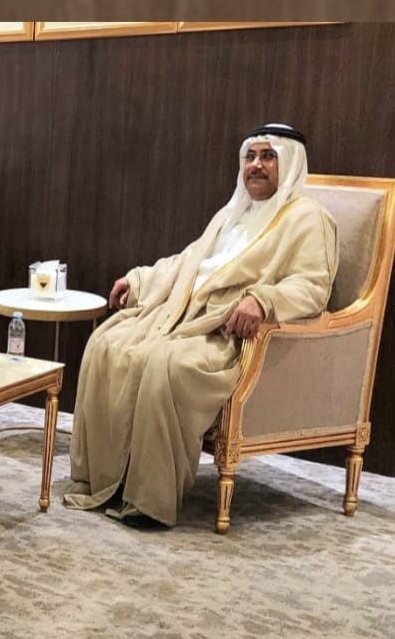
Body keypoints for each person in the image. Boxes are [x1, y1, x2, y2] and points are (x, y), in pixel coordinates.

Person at [65, 123, 338, 529]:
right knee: (107, 343)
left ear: (291, 163)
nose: (256, 165)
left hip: (225, 332)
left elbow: (312, 287)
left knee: (167, 365)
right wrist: (140, 280)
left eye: (268, 157)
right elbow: (189, 262)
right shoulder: (232, 213)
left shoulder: (307, 219)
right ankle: (108, 480)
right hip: (181, 313)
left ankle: (150, 499)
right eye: (250, 157)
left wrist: (263, 300)